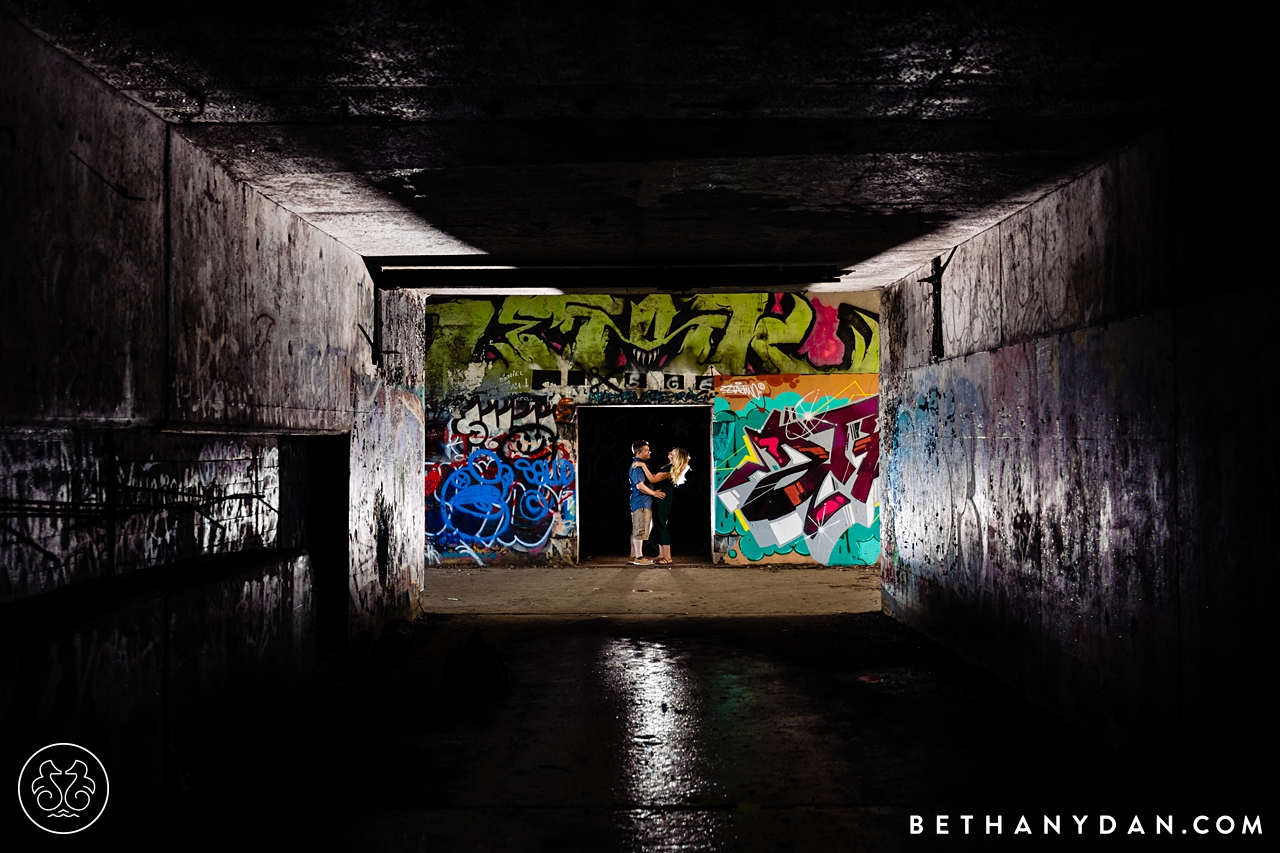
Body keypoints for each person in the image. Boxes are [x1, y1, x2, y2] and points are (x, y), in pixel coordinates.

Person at [632, 447, 691, 566]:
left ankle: (667, 556)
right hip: (659, 497)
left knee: (662, 524)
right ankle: (661, 554)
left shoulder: (670, 468)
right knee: (658, 525)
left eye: (672, 452)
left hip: (662, 497)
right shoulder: (669, 466)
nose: (669, 452)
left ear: (676, 457)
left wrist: (642, 466)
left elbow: (653, 479)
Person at [628, 440, 665, 565]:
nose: (649, 452)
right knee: (640, 529)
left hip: (639, 501)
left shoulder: (640, 465)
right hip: (642, 502)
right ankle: (639, 557)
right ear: (638, 452)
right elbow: (640, 486)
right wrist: (654, 493)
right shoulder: (637, 466)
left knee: (637, 529)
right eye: (646, 450)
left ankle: (633, 555)